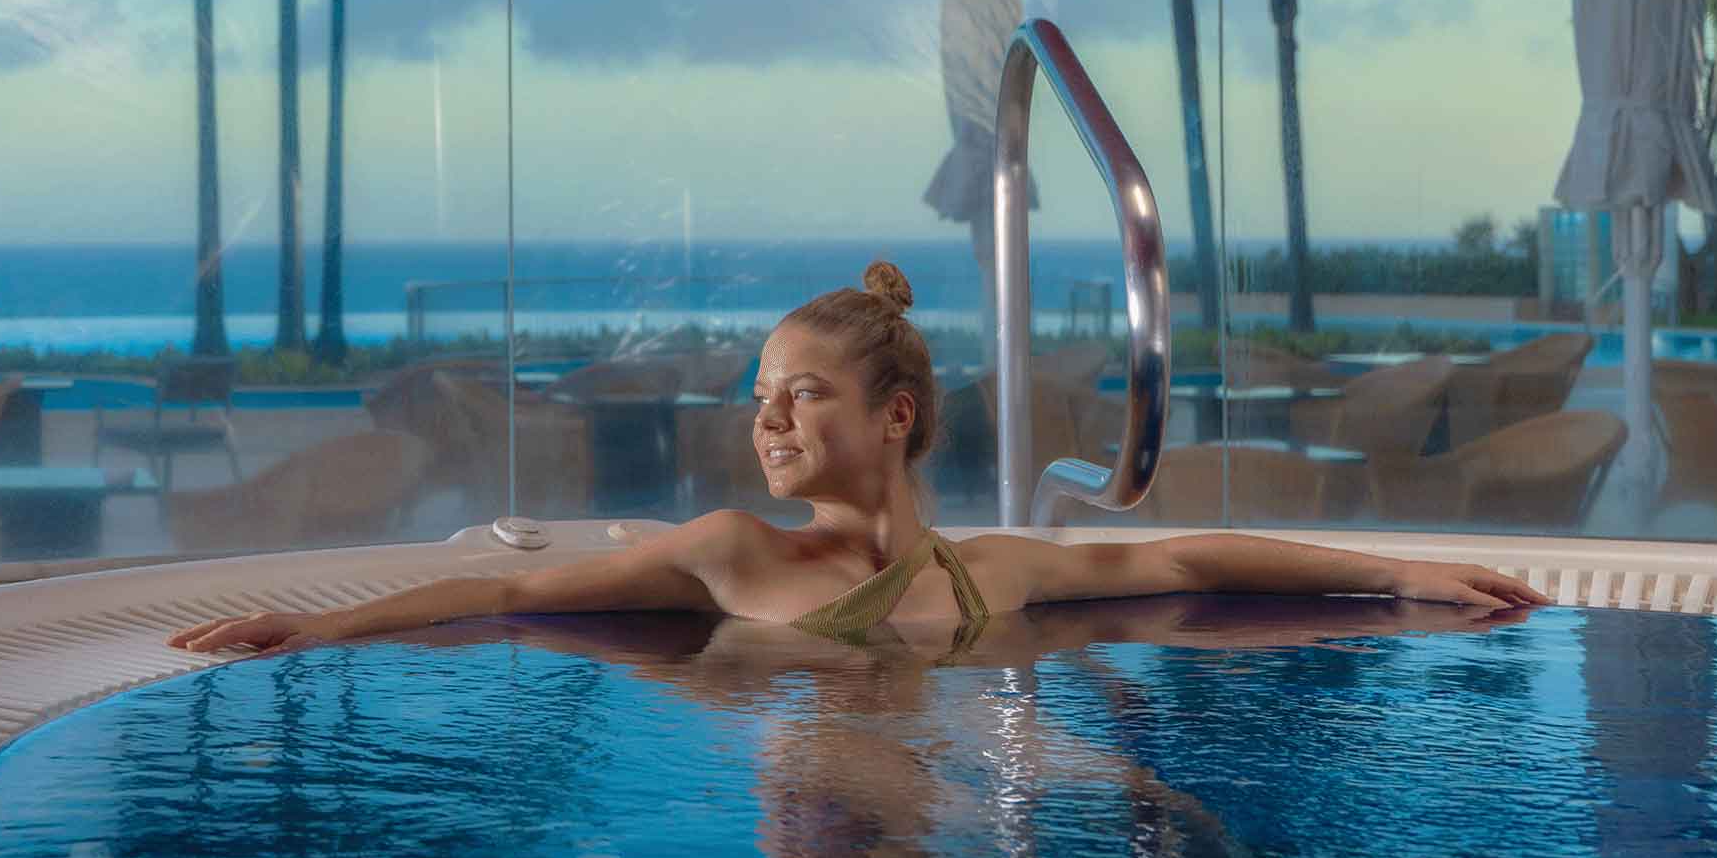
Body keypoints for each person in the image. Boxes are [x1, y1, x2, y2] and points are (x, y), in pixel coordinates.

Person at [171, 260, 1547, 656]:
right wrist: (321, 626)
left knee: (1159, 815)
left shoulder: (991, 576)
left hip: (932, 809)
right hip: (847, 820)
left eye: (801, 395)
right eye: (761, 395)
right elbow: (512, 596)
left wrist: (1405, 577)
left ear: (893, 418)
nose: (766, 422)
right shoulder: (731, 556)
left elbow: (1184, 554)